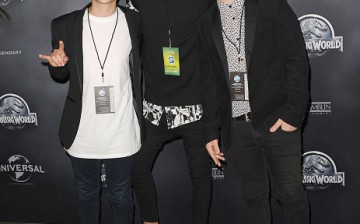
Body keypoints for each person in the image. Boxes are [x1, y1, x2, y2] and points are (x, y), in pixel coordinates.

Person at [197, 0, 310, 223]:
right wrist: (210, 130)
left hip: (276, 120)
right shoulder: (205, 21)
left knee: (291, 195)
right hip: (236, 127)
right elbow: (208, 81)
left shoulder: (271, 5)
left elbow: (296, 59)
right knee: (254, 200)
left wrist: (293, 114)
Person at [38, 0, 143, 223]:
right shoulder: (64, 24)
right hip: (82, 129)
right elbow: (61, 74)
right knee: (86, 195)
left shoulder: (135, 20)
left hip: (122, 128)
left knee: (122, 196)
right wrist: (58, 65)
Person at [127, 0, 223, 224]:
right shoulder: (138, 2)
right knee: (137, 171)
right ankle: (150, 221)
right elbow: (106, 12)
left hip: (194, 111)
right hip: (154, 111)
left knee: (200, 176)